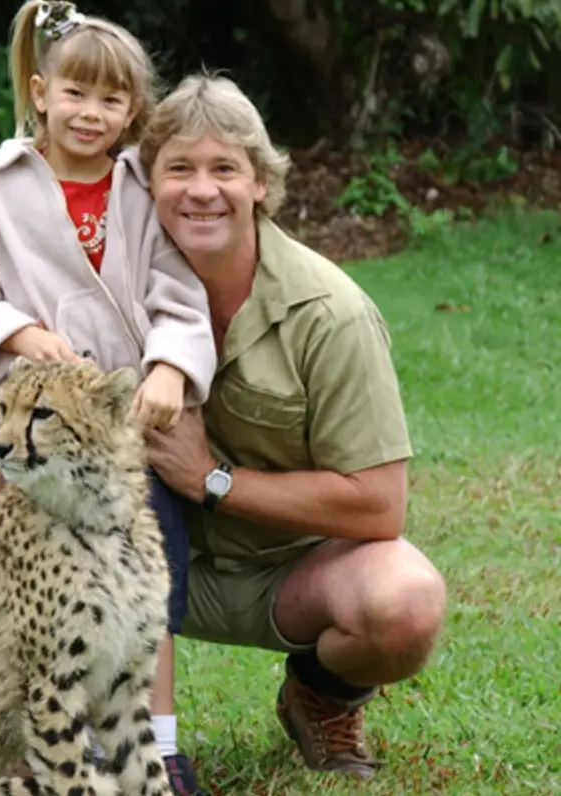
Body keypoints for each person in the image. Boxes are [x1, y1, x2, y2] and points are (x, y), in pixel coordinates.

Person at [0, 5, 217, 790]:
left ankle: (156, 737)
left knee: (149, 562)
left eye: (112, 102)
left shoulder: (135, 189)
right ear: (40, 91)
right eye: (77, 95)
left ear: (133, 113)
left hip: (123, 428)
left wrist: (169, 371)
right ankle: (10, 723)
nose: (92, 115)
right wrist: (18, 334)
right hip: (30, 417)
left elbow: (178, 295)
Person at [138, 72, 448, 782]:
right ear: (147, 184)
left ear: (260, 183)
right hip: (147, 558)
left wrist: (210, 478)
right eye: (178, 168)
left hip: (291, 570)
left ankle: (321, 694)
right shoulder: (117, 288)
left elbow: (379, 503)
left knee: (407, 602)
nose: (202, 190)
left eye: (225, 168)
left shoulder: (330, 312)